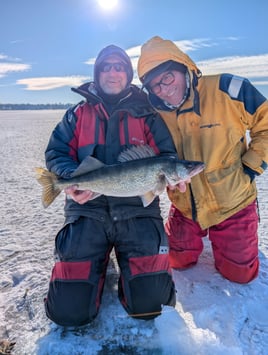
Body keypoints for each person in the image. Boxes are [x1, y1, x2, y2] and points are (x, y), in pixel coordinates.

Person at [44, 44, 177, 327]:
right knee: (68, 313)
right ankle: (99, 265)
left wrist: (176, 178)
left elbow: (167, 156)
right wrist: (70, 179)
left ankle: (124, 272)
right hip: (87, 211)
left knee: (151, 307)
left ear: (128, 74)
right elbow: (57, 152)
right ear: (97, 72)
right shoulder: (77, 114)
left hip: (138, 214)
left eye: (120, 67)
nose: (113, 72)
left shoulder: (148, 114)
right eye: (106, 66)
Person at [137, 36, 268, 284]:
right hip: (186, 205)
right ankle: (197, 232)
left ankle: (238, 232)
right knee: (177, 261)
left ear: (183, 67)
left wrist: (252, 166)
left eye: (167, 77)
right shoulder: (155, 114)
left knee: (240, 275)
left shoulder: (229, 89)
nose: (163, 89)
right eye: (155, 85)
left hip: (233, 202)